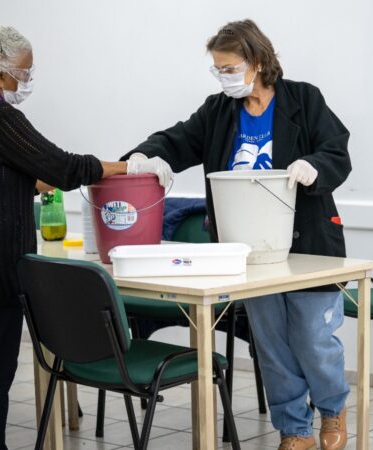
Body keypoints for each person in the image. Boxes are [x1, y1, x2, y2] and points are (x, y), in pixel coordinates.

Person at [122, 19, 352, 450]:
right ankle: (294, 430)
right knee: (271, 344)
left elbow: (336, 151)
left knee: (312, 338)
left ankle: (331, 409)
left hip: (309, 243)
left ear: (258, 61)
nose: (224, 77)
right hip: (247, 251)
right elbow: (176, 139)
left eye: (230, 68)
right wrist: (145, 155)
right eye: (218, 69)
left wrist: (314, 165)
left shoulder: (303, 99)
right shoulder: (219, 111)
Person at [0, 26, 142, 449]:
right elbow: (62, 166)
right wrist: (128, 167)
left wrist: (45, 179)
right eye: (24, 73)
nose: (28, 80)